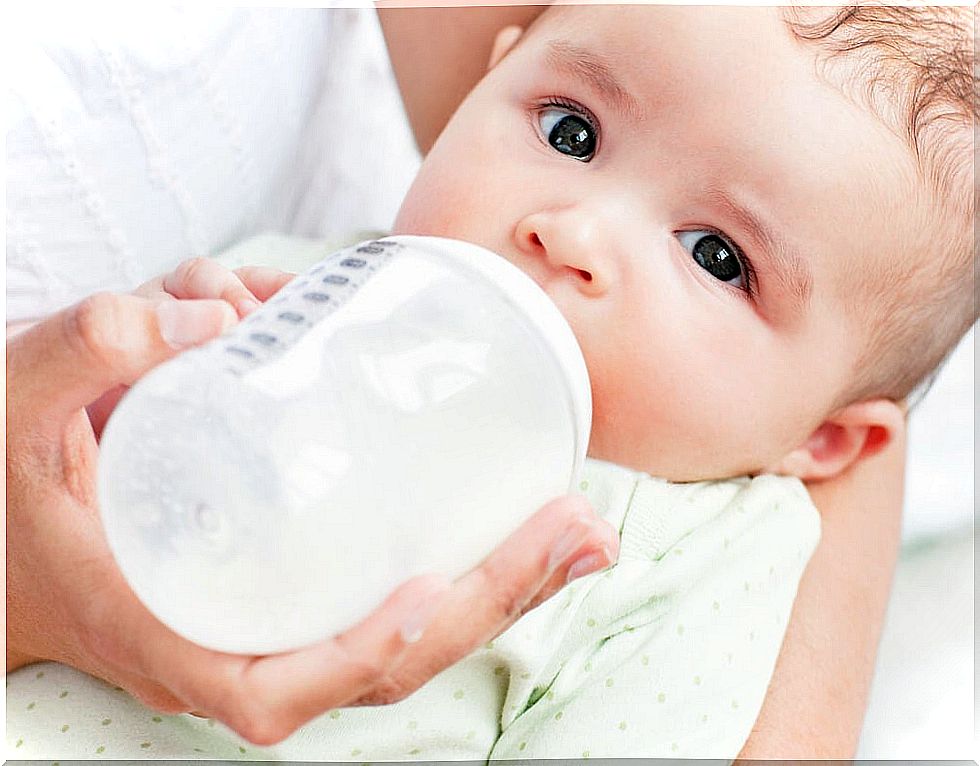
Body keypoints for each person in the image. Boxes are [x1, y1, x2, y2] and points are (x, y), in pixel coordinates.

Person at [5, 2, 951, 758]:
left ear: (823, 444)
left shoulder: (699, 552)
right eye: (571, 133)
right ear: (489, 76)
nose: (572, 230)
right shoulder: (294, 288)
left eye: (715, 256)